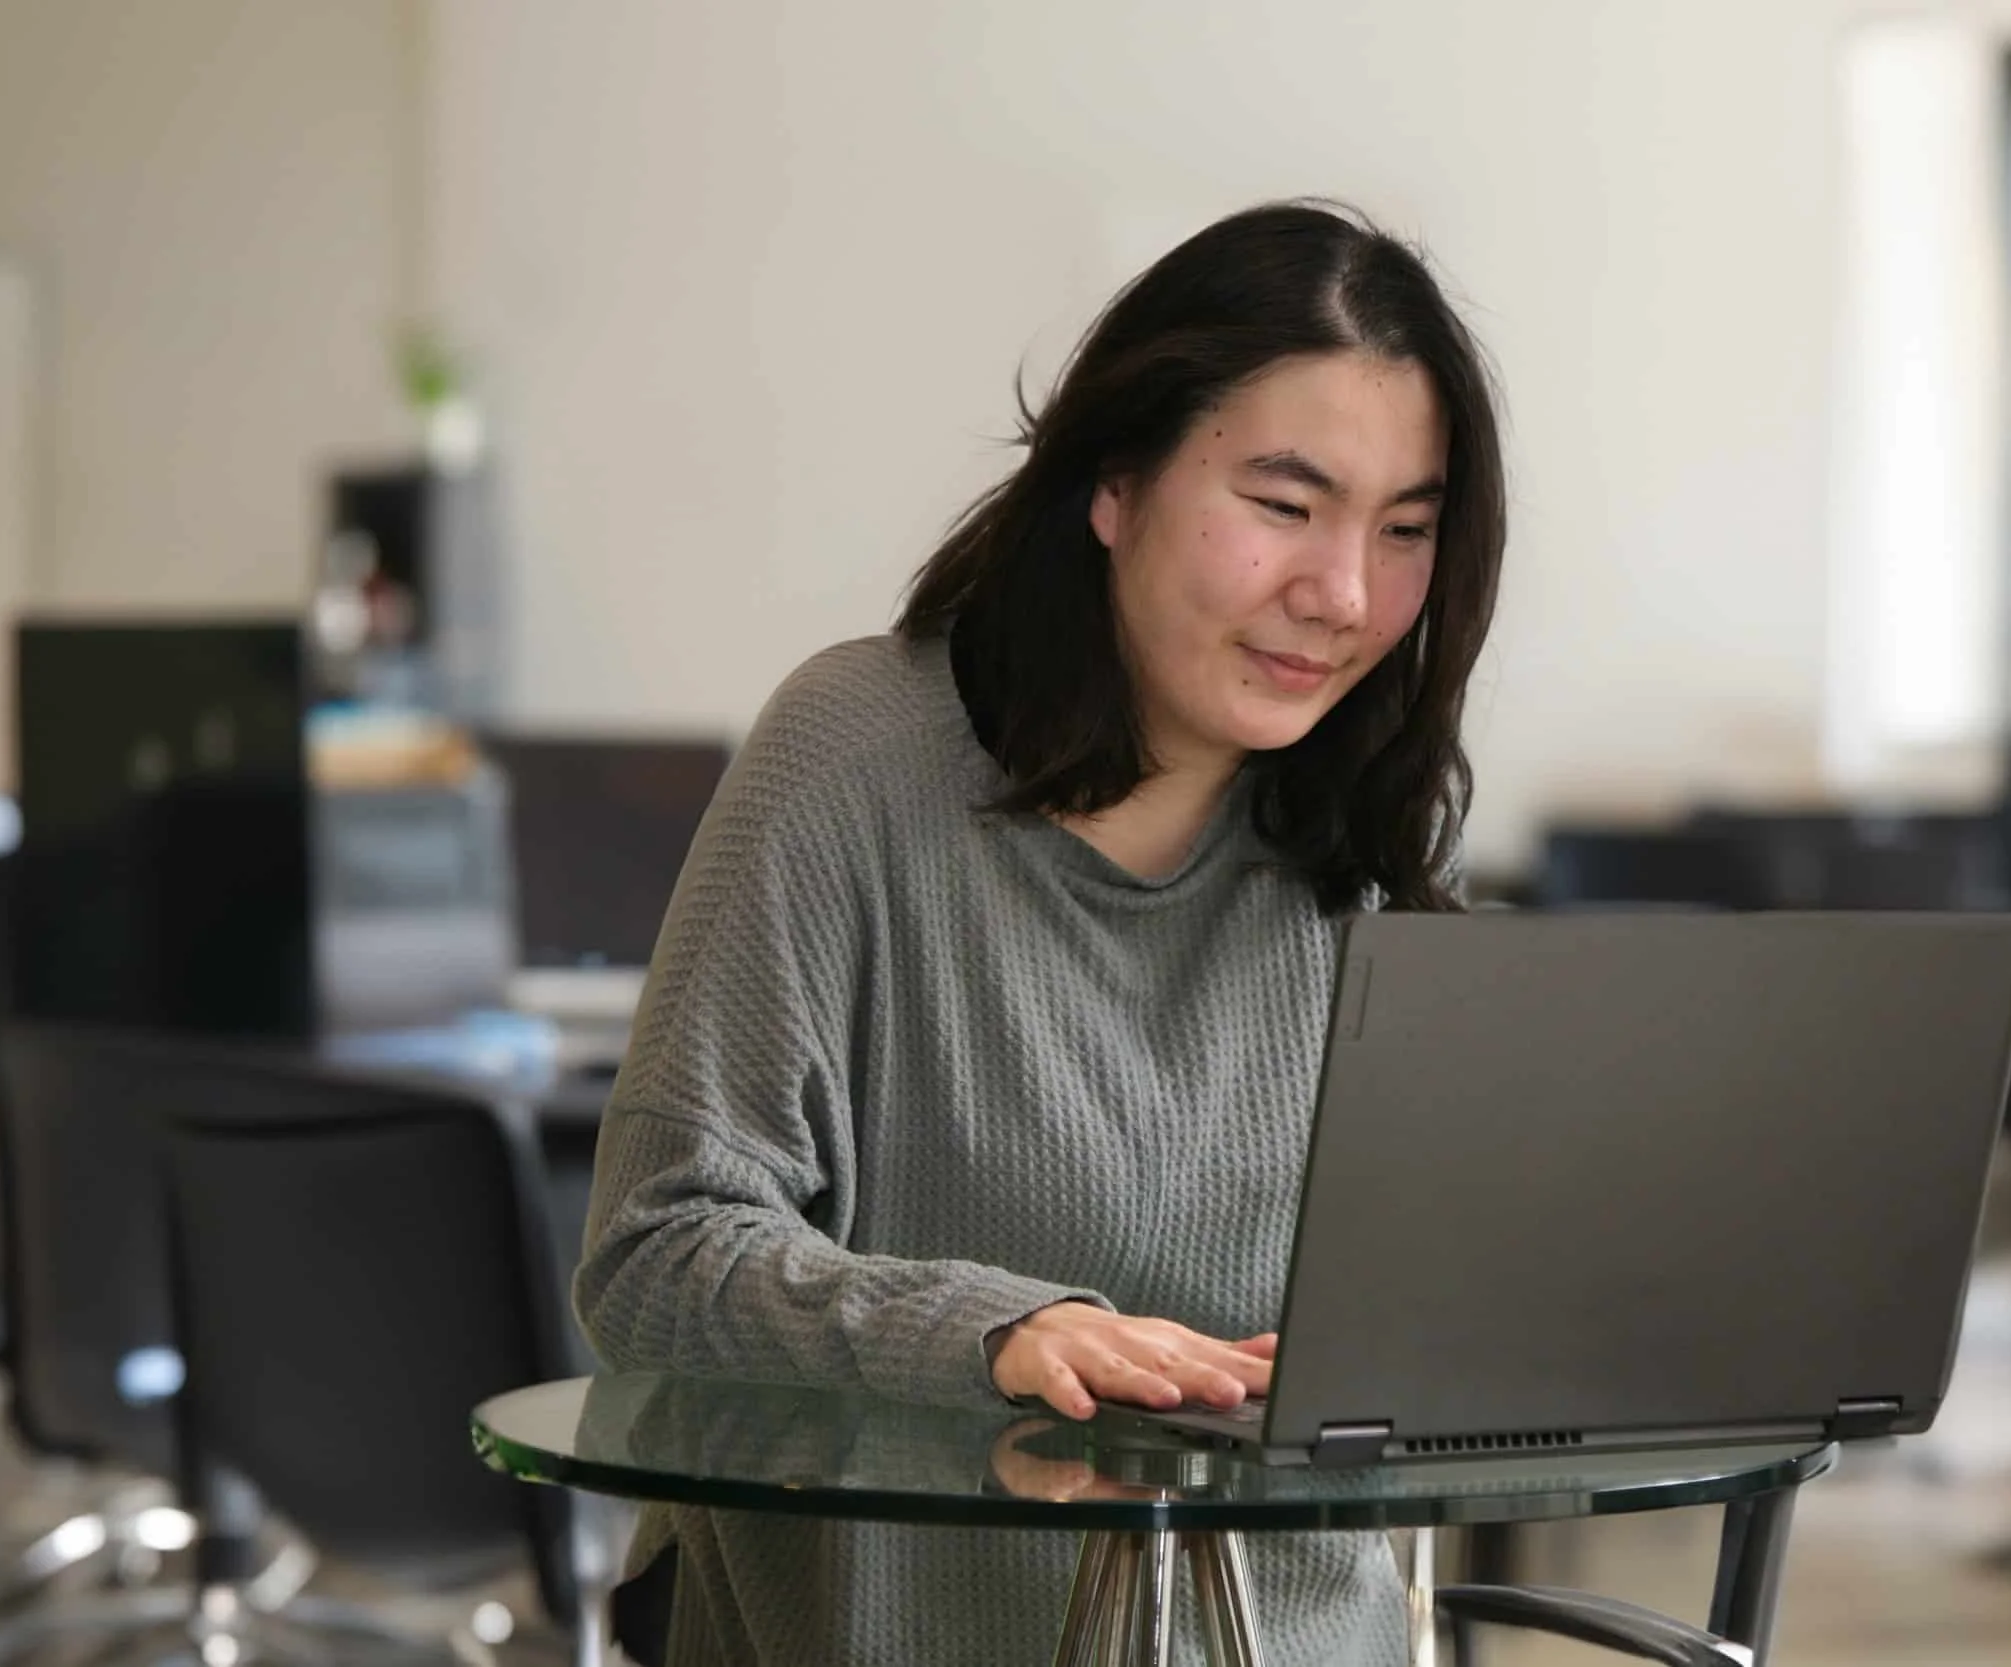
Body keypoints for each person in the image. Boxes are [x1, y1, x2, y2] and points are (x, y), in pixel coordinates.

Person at [574, 200, 1508, 1665]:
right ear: (1113, 482)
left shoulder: (1363, 840)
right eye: (1283, 502)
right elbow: (656, 1249)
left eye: (1406, 529)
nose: (1343, 595)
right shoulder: (858, 757)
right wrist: (991, 1330)